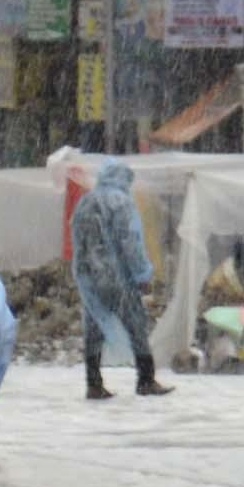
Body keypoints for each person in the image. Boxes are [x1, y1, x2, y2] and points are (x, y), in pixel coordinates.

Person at [69, 159, 170, 400]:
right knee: (135, 324)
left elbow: (78, 240)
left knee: (94, 326)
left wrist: (85, 271)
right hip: (117, 275)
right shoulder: (121, 202)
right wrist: (142, 273)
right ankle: (146, 379)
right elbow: (129, 241)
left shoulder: (86, 201)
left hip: (89, 275)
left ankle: (93, 382)